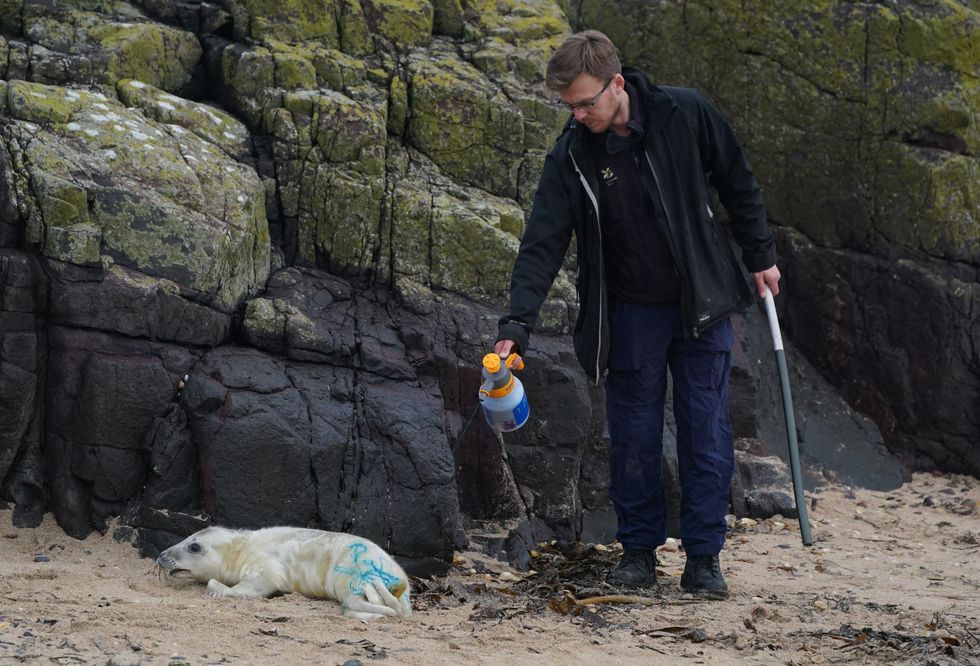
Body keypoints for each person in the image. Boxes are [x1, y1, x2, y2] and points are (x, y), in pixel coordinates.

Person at [494, 30, 780, 597]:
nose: (577, 115)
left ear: (616, 84)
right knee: (633, 437)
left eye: (585, 102)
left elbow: (738, 180)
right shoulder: (572, 154)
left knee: (706, 432)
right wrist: (516, 325)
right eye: (568, 106)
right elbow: (542, 242)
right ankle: (639, 553)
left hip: (702, 302)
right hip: (627, 313)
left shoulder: (686, 112)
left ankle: (704, 558)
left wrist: (761, 256)